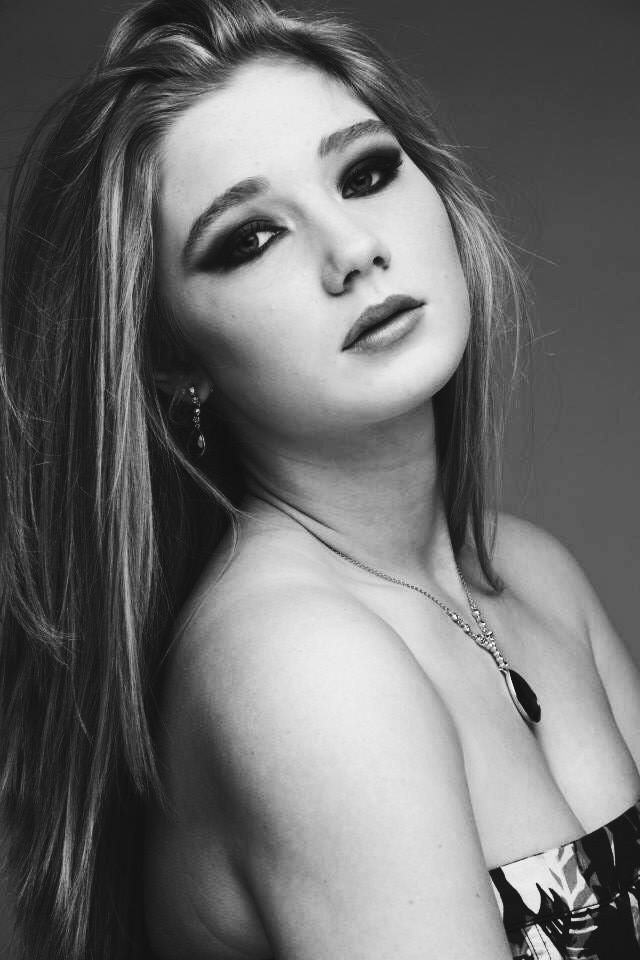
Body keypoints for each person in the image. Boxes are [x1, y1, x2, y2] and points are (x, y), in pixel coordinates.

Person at [1, 0, 639, 957]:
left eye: (367, 173)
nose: (352, 250)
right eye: (251, 238)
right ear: (171, 357)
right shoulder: (301, 666)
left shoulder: (535, 576)